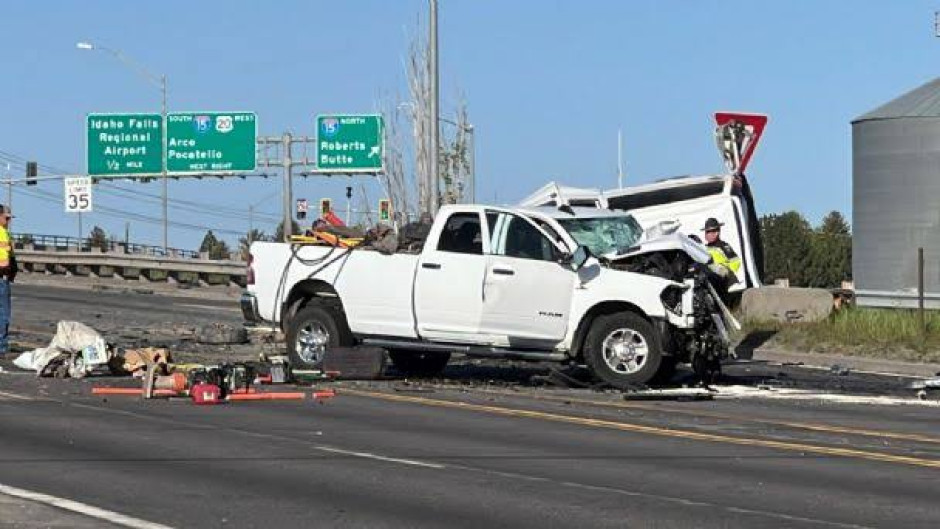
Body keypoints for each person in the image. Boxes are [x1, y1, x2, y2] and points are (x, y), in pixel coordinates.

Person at [701, 217, 741, 298]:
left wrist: (726, 270)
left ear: (717, 232)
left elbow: (736, 261)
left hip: (725, 278)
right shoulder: (703, 248)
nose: (708, 234)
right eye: (707, 232)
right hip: (709, 276)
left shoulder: (724, 246)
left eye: (711, 231)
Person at [0, 205, 15, 356]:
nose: (9, 221)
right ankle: (1, 347)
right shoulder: (2, 233)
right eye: (6, 218)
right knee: (3, 314)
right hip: (1, 278)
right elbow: (4, 261)